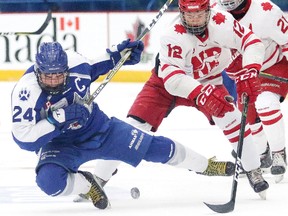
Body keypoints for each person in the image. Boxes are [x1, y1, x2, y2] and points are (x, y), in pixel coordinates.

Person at [77, 0, 271, 201]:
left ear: (209, 11)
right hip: (165, 85)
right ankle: (99, 178)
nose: (194, 20)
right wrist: (200, 93)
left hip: (209, 82)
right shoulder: (173, 35)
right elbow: (173, 80)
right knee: (133, 128)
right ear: (181, 12)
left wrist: (251, 68)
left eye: (199, 15)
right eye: (189, 15)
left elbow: (252, 42)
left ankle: (253, 169)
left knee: (233, 118)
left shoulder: (223, 22)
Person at [11, 41, 236, 210]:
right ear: (38, 70)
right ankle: (88, 185)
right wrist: (57, 118)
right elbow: (23, 138)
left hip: (98, 129)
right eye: (47, 76)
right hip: (60, 144)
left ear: (66, 69)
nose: (53, 81)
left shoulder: (77, 64)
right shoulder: (26, 91)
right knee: (49, 182)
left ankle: (205, 165)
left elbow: (98, 64)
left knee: (152, 147)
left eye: (58, 76)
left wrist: (121, 54)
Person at [215, 0, 287, 183]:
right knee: (247, 117)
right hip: (245, 74)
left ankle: (279, 153)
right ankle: (263, 154)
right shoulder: (213, 13)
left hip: (272, 67)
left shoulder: (266, 10)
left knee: (265, 104)